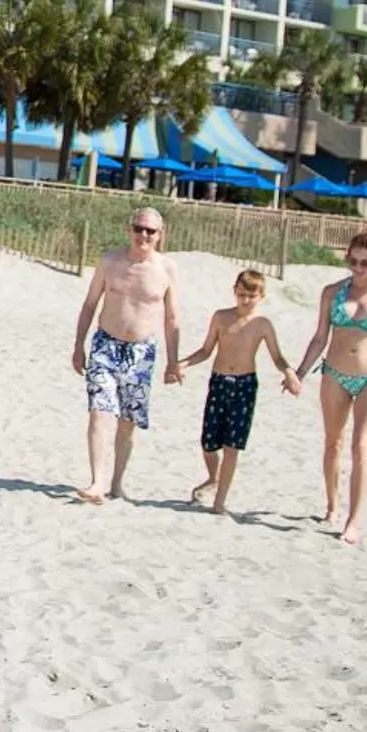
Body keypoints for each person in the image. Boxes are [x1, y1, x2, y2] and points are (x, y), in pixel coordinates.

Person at [291, 230, 367, 546]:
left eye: (364, 263)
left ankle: (353, 521)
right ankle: (332, 505)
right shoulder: (332, 292)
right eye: (352, 261)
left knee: (362, 446)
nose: (357, 268)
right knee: (333, 443)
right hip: (335, 374)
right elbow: (320, 338)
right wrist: (300, 372)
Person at [68, 208, 181, 505]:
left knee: (128, 421)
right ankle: (96, 482)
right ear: (129, 229)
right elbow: (90, 304)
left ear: (160, 234)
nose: (143, 235)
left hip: (141, 351)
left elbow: (171, 318)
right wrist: (79, 345)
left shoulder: (166, 269)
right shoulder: (110, 262)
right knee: (98, 410)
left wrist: (173, 361)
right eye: (138, 228)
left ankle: (116, 483)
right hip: (105, 344)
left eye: (150, 231)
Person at [165, 267, 295, 515]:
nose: (245, 301)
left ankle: (219, 501)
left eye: (251, 296)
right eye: (241, 295)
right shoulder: (221, 317)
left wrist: (288, 373)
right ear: (234, 292)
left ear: (261, 297)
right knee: (208, 442)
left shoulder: (262, 324)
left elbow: (277, 357)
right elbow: (205, 351)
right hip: (219, 382)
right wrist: (182, 364)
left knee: (232, 445)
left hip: (245, 385)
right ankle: (213, 477)